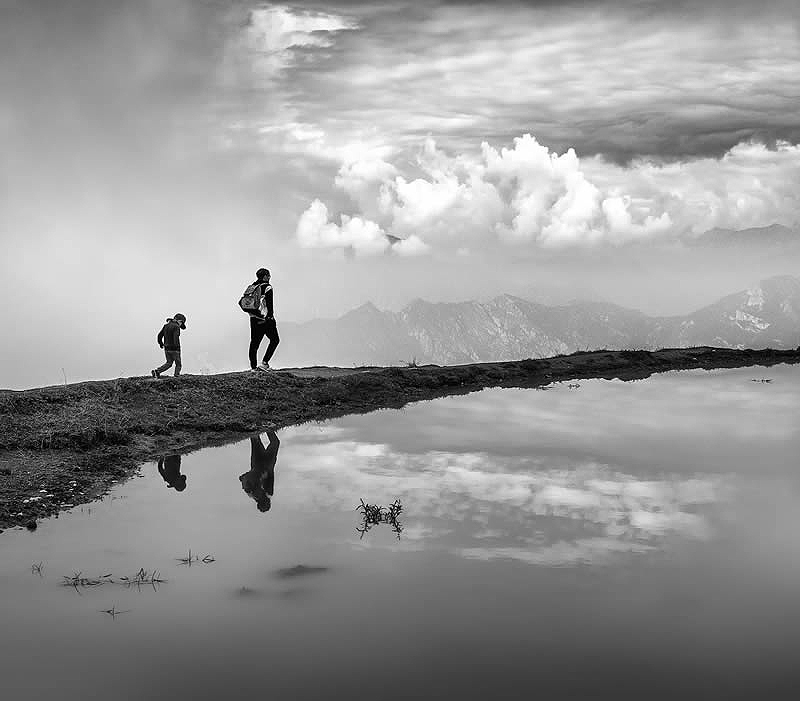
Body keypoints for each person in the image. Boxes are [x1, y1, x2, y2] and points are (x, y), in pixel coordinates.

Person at [246, 268, 280, 372]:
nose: (270, 277)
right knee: (275, 340)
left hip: (253, 319)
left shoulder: (252, 287)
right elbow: (270, 304)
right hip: (265, 319)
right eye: (268, 275)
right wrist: (271, 317)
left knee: (254, 344)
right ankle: (264, 363)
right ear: (265, 276)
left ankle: (253, 368)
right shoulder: (267, 287)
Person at [239, 430, 280, 512]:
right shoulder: (250, 493)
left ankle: (268, 427)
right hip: (256, 464)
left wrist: (265, 472)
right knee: (255, 439)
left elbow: (271, 476)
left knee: (275, 442)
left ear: (267, 502)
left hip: (267, 463)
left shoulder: (268, 493)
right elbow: (242, 479)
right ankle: (257, 426)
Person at [152, 313, 186, 378]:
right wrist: (177, 348)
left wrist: (161, 343)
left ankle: (157, 371)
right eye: (181, 323)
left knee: (169, 363)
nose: (180, 325)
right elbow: (176, 337)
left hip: (167, 348)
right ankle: (177, 375)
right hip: (175, 349)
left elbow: (159, 335)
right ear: (180, 321)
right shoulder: (176, 327)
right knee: (178, 364)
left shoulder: (166, 326)